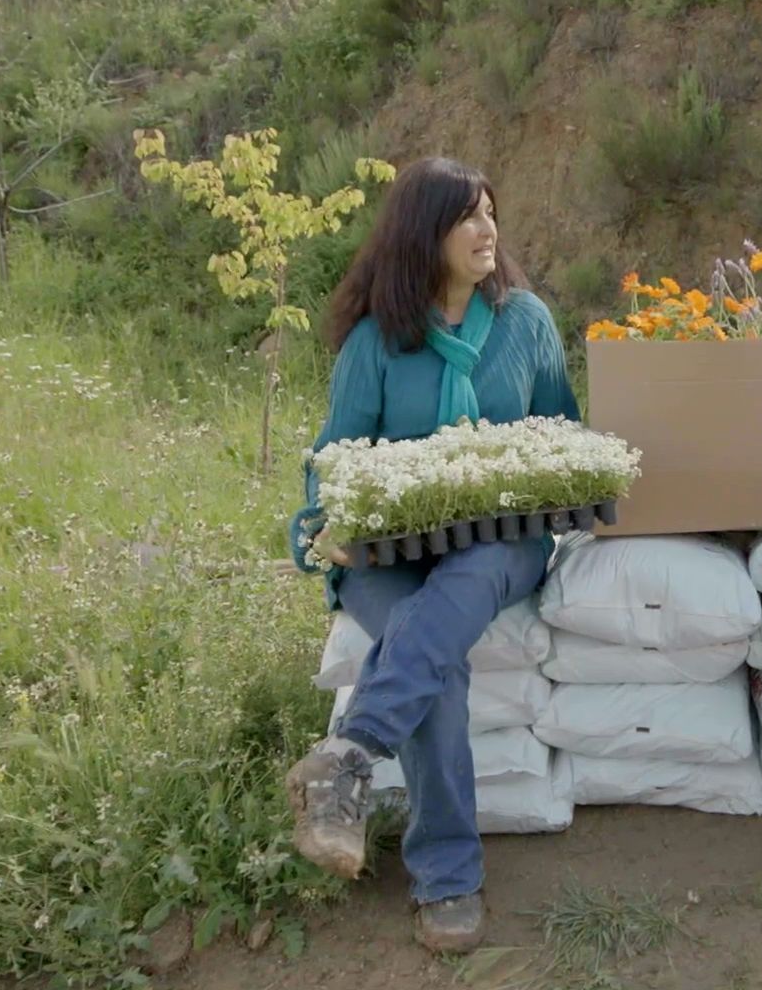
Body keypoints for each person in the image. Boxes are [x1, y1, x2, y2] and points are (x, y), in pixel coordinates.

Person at [282, 158, 580, 953]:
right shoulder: (379, 342)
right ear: (425, 235)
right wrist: (323, 530)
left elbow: (562, 439)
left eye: (490, 212)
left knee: (462, 587)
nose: (487, 231)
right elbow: (333, 460)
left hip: (501, 546)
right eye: (465, 218)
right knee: (430, 650)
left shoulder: (525, 323)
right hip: (388, 555)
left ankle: (349, 753)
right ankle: (447, 876)